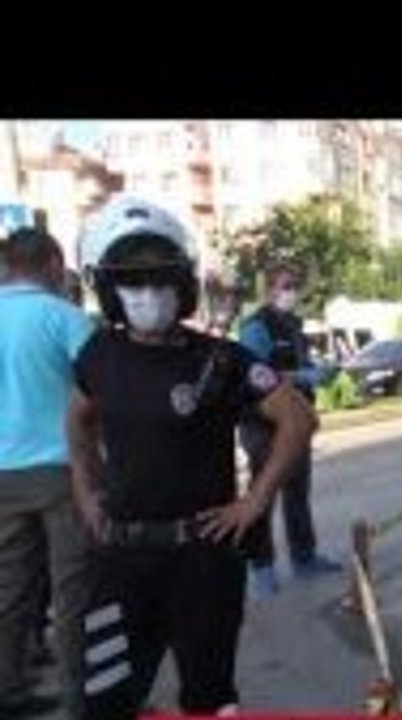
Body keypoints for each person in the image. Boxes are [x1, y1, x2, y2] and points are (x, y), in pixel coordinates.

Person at [66, 197, 317, 718]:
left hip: (203, 560)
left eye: (160, 278)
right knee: (105, 701)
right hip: (120, 559)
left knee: (208, 699)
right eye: (132, 281)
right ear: (108, 289)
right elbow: (77, 419)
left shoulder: (221, 359)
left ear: (183, 283)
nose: (147, 293)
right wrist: (85, 492)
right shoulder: (98, 355)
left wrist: (255, 502)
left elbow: (298, 418)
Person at [0, 228, 95, 719]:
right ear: (54, 264)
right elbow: (103, 390)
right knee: (73, 588)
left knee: (10, 588)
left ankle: (8, 690)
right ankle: (82, 698)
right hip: (62, 471)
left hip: (1, 474)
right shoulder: (65, 318)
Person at [238, 260, 342, 599]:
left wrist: (318, 371)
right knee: (263, 493)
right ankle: (261, 567)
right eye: (286, 286)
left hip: (295, 420)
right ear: (269, 290)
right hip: (263, 424)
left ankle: (304, 557)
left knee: (297, 492)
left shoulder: (293, 325)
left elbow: (298, 362)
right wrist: (300, 376)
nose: (292, 293)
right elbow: (254, 374)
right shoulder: (256, 326)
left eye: (296, 286)